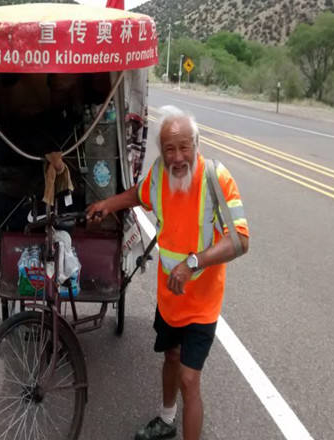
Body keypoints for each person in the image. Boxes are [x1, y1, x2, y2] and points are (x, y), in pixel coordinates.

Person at [86, 106, 250, 440]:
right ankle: (166, 419)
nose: (177, 157)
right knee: (170, 358)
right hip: (170, 297)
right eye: (170, 149)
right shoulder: (160, 174)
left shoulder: (216, 178)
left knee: (190, 379)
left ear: (196, 143)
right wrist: (108, 205)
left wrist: (193, 263)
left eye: (184, 147)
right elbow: (139, 194)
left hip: (202, 302)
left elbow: (240, 240)